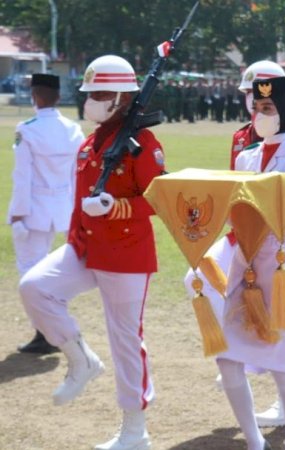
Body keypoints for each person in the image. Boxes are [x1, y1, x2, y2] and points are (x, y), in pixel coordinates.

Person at [19, 55, 163, 450]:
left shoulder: (143, 143)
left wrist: (117, 207)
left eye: (99, 93)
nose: (91, 100)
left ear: (120, 97)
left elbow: (159, 199)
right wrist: (78, 234)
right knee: (35, 287)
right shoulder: (91, 140)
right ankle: (81, 358)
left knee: (125, 340)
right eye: (89, 93)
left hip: (126, 253)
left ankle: (135, 431)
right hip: (85, 247)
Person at [183, 59, 285, 429]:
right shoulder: (241, 137)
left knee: (282, 324)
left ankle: (265, 373)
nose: (250, 101)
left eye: (257, 94)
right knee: (193, 279)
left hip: (269, 240)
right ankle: (243, 348)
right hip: (238, 235)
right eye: (247, 94)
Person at [216, 76, 285, 450]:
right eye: (258, 108)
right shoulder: (245, 157)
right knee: (227, 360)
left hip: (281, 272)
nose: (260, 115)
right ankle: (254, 441)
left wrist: (256, 203)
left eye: (268, 109)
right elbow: (229, 213)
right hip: (244, 270)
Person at [10, 73, 84, 355]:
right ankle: (52, 328)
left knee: (30, 270)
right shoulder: (73, 129)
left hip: (35, 209)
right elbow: (76, 175)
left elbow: (22, 176)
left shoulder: (27, 129)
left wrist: (17, 214)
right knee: (56, 272)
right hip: (64, 208)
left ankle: (45, 332)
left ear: (36, 97)